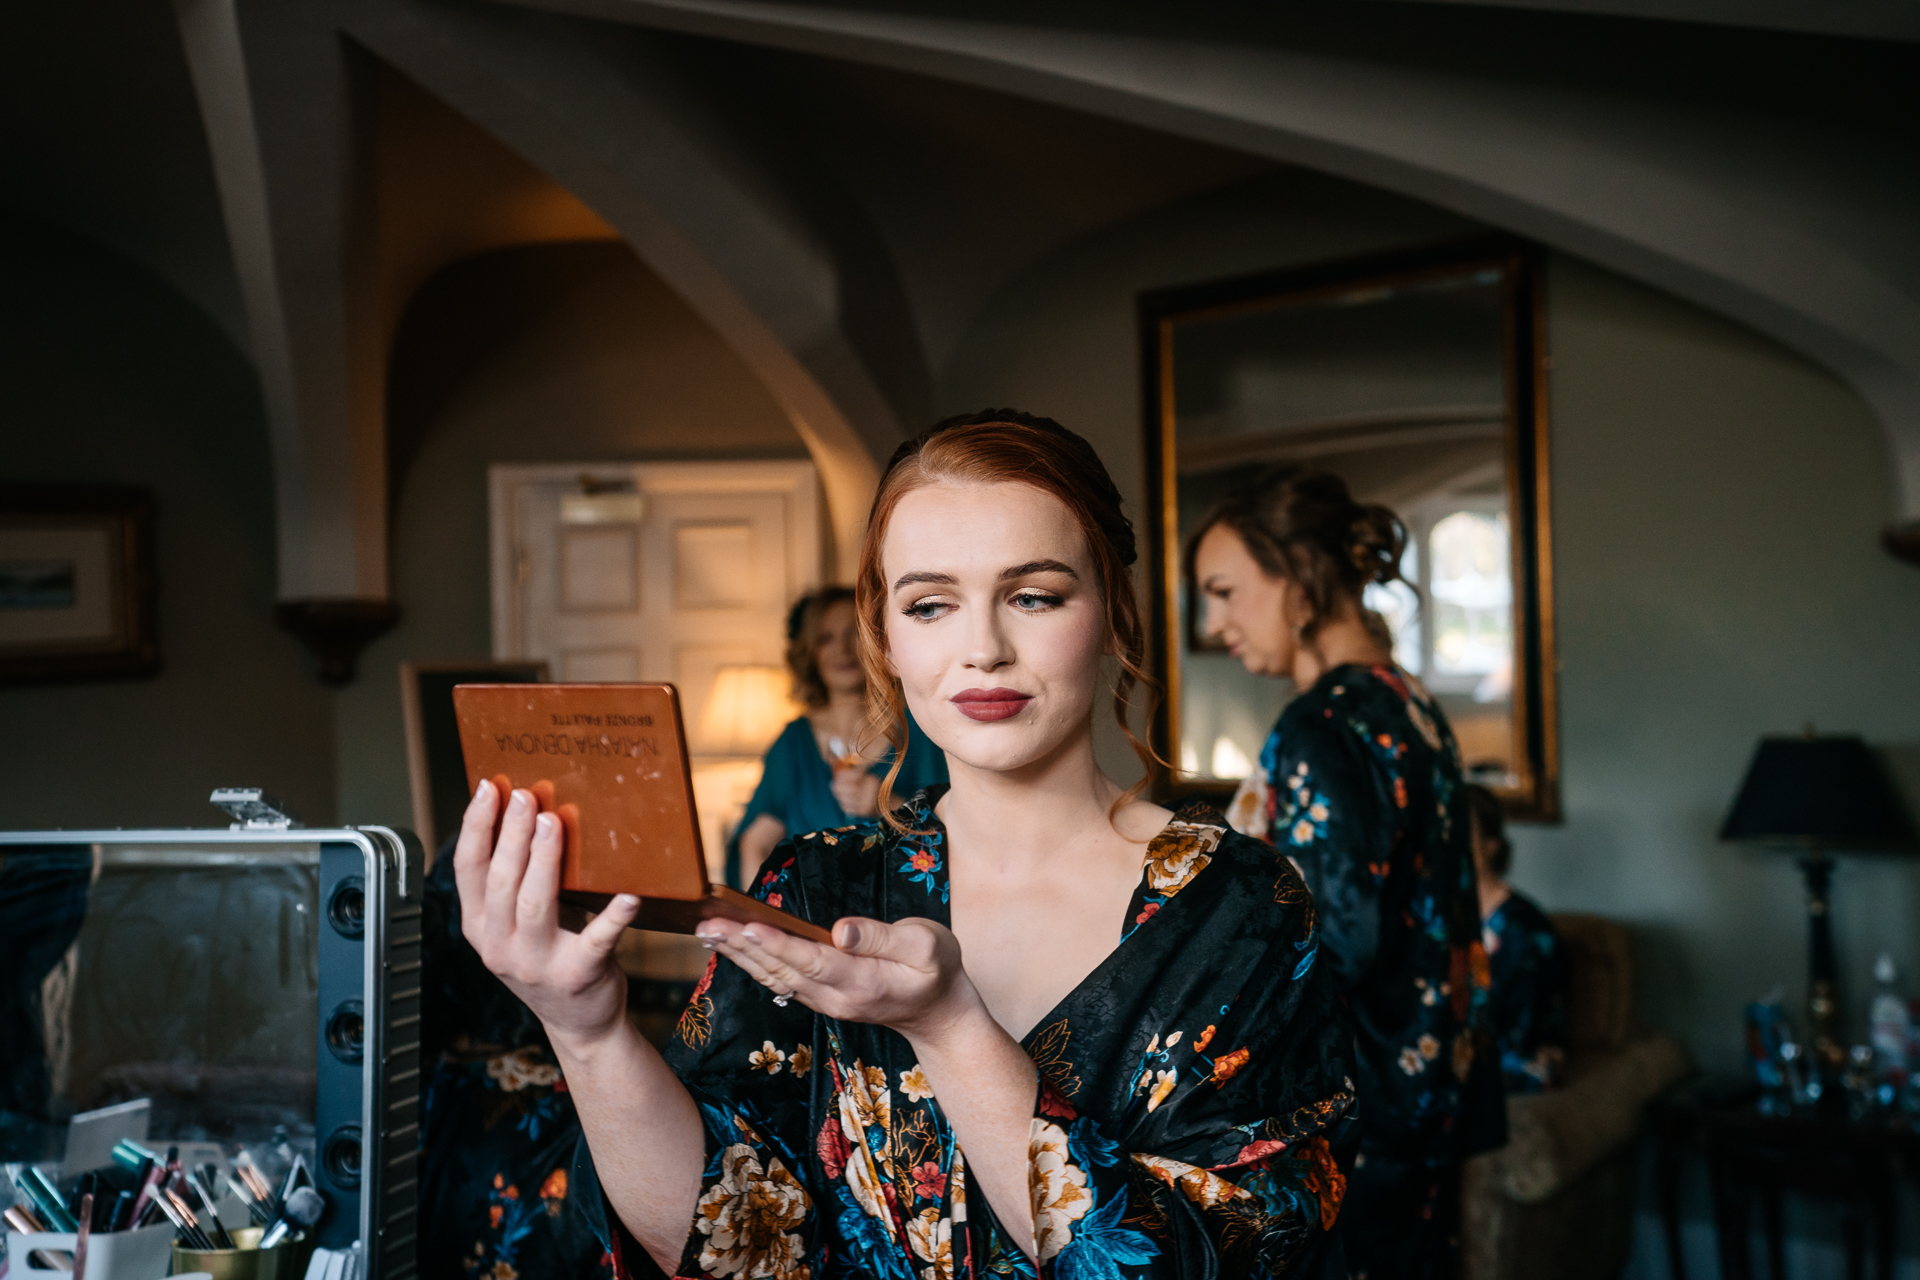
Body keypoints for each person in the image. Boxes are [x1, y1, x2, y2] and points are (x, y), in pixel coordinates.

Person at [453, 411, 1358, 1280]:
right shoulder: (817, 883)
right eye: (930, 605)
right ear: (885, 636)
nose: (983, 649)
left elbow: (1219, 1259)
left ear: (1115, 613)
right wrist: (586, 1028)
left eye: (1034, 595)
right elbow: (735, 1239)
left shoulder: (1242, 908)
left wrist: (948, 1024)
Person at [1187, 465, 1505, 1280]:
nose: (1214, 621)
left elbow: (1334, 938)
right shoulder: (1409, 701)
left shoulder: (1323, 720)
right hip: (1436, 1079)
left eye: (1225, 591)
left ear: (1295, 575)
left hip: (1362, 1102)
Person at [727, 585, 948, 890]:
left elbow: (955, 832)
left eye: (854, 633)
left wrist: (888, 804)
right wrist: (764, 928)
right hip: (813, 920)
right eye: (825, 638)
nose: (842, 649)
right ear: (809, 653)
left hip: (903, 914)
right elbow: (756, 845)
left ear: (877, 641)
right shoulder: (792, 743)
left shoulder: (919, 730)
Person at [1463, 785, 1567, 1094]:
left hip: (1510, 1058)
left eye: (1463, 832)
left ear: (1492, 844)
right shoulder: (1434, 917)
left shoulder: (1525, 930)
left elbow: (1524, 1031)